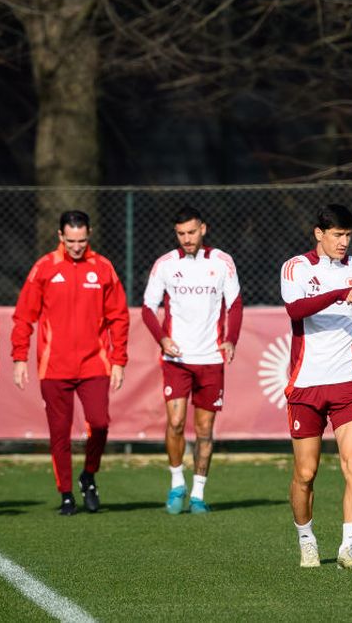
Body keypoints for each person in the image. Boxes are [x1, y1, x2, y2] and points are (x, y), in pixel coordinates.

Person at [280, 204, 352, 569]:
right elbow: (295, 309)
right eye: (337, 235)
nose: (343, 242)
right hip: (306, 384)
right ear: (319, 233)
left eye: (348, 235)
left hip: (348, 384)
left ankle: (348, 548)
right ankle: (306, 540)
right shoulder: (295, 267)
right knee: (305, 474)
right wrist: (337, 293)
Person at [12, 210, 129, 516]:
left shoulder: (103, 268)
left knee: (99, 423)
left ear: (89, 235)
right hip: (54, 367)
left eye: (82, 240)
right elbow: (24, 316)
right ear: (60, 236)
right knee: (59, 432)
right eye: (71, 241)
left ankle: (88, 475)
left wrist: (118, 360)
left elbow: (119, 317)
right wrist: (19, 357)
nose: (77, 247)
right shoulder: (44, 268)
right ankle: (66, 493)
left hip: (94, 364)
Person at [142, 206, 243, 514]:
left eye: (191, 232)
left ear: (203, 229)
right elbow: (148, 307)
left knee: (204, 430)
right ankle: (177, 483)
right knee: (175, 423)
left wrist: (231, 339)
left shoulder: (222, 262)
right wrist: (162, 339)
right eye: (181, 233)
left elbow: (235, 304)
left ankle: (198, 493)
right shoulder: (165, 264)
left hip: (211, 359)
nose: (186, 239)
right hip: (177, 358)